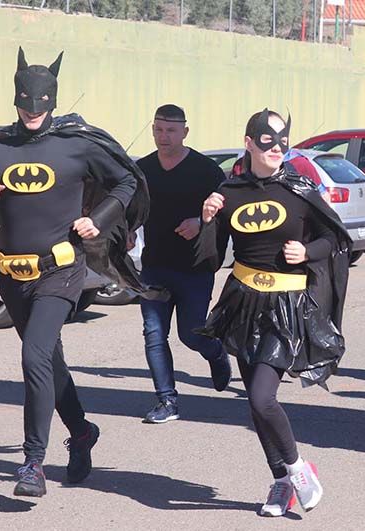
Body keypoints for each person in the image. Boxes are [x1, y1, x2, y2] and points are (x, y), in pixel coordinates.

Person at [0, 48, 147, 497]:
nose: (32, 112)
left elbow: (127, 180)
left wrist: (100, 217)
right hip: (9, 274)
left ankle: (32, 463)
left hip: (60, 270)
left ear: (52, 102)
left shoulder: (75, 144)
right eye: (25, 104)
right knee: (48, 362)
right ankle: (80, 432)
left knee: (34, 357)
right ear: (15, 100)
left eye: (39, 105)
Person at [195, 109, 351, 516]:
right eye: (267, 142)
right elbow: (211, 260)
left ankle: (299, 469)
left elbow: (333, 237)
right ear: (249, 142)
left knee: (264, 398)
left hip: (287, 305)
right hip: (244, 303)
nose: (277, 150)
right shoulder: (229, 191)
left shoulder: (297, 187)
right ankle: (281, 481)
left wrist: (307, 252)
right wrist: (208, 219)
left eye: (283, 142)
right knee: (252, 400)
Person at [136, 104, 231, 423]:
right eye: (159, 130)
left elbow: (228, 216)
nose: (164, 136)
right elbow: (129, 208)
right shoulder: (143, 169)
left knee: (191, 335)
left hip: (194, 268)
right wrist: (126, 233)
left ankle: (216, 353)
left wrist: (201, 224)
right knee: (153, 333)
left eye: (171, 130)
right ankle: (166, 400)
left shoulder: (206, 171)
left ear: (185, 132)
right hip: (154, 267)